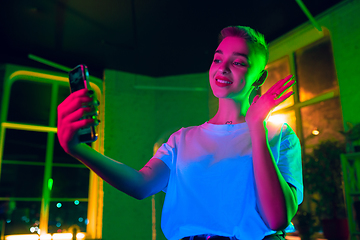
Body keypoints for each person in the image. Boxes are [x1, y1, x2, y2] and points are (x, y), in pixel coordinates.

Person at [57, 25, 303, 240]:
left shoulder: (279, 134)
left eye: (238, 62)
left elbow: (277, 219)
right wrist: (78, 149)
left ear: (260, 77)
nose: (223, 68)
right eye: (217, 59)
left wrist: (256, 126)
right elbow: (140, 185)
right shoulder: (182, 139)